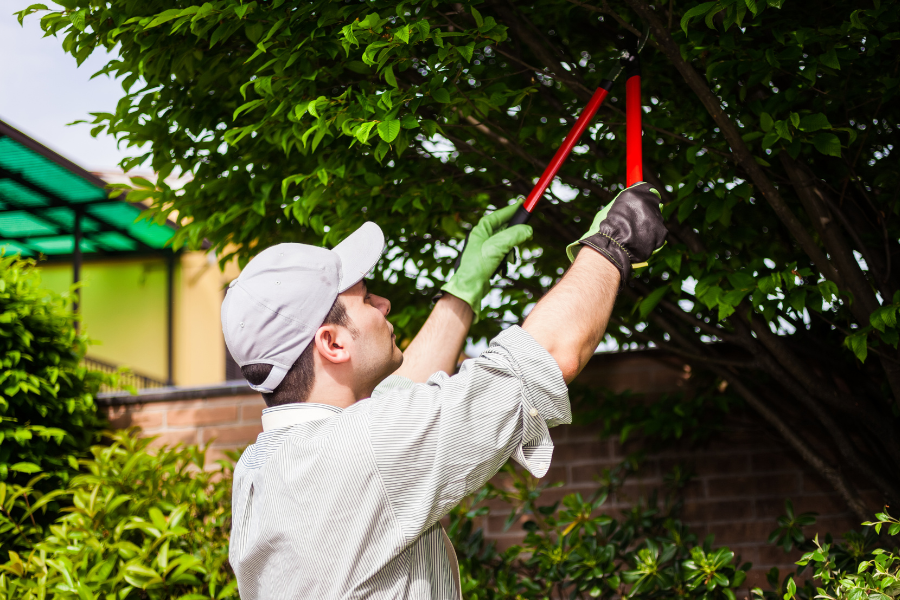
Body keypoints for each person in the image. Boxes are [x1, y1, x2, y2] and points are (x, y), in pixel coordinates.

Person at [223, 183, 667, 599]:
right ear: (333, 343)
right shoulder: (365, 449)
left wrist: (463, 287)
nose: (384, 305)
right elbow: (542, 360)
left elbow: (399, 402)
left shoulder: (261, 467)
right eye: (367, 298)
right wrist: (611, 245)